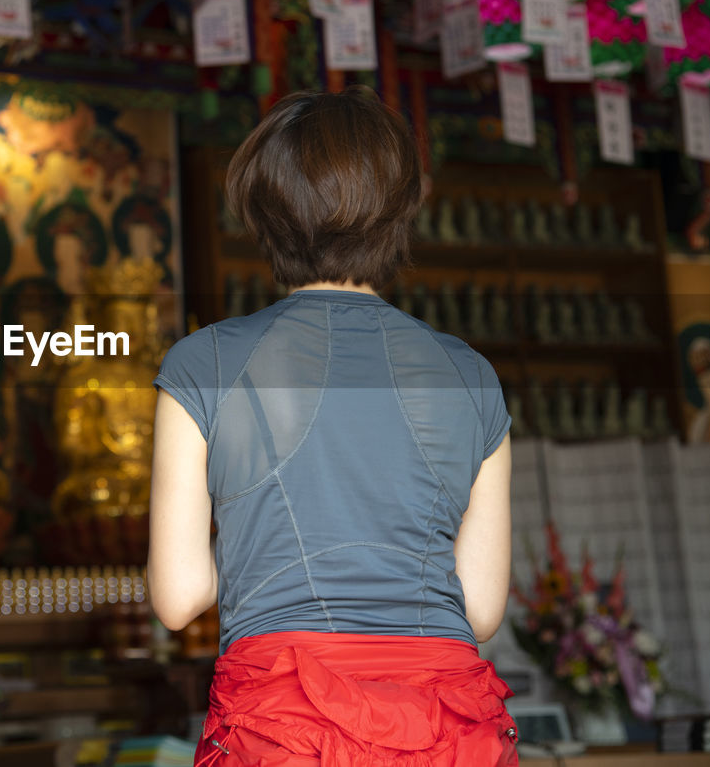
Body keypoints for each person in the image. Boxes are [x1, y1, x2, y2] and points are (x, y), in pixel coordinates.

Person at [148, 88, 518, 766]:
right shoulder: (472, 376)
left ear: (265, 214)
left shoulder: (205, 363)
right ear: (401, 210)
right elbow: (482, 608)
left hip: (284, 725)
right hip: (444, 728)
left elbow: (178, 598)